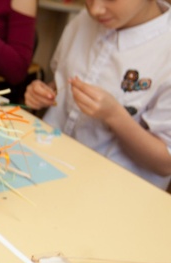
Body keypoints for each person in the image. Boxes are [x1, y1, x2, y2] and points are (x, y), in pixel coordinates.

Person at [24, 0, 171, 190]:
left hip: (110, 190)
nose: (95, 10)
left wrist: (114, 116)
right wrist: (45, 93)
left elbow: (165, 163)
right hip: (46, 163)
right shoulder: (82, 21)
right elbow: (61, 81)